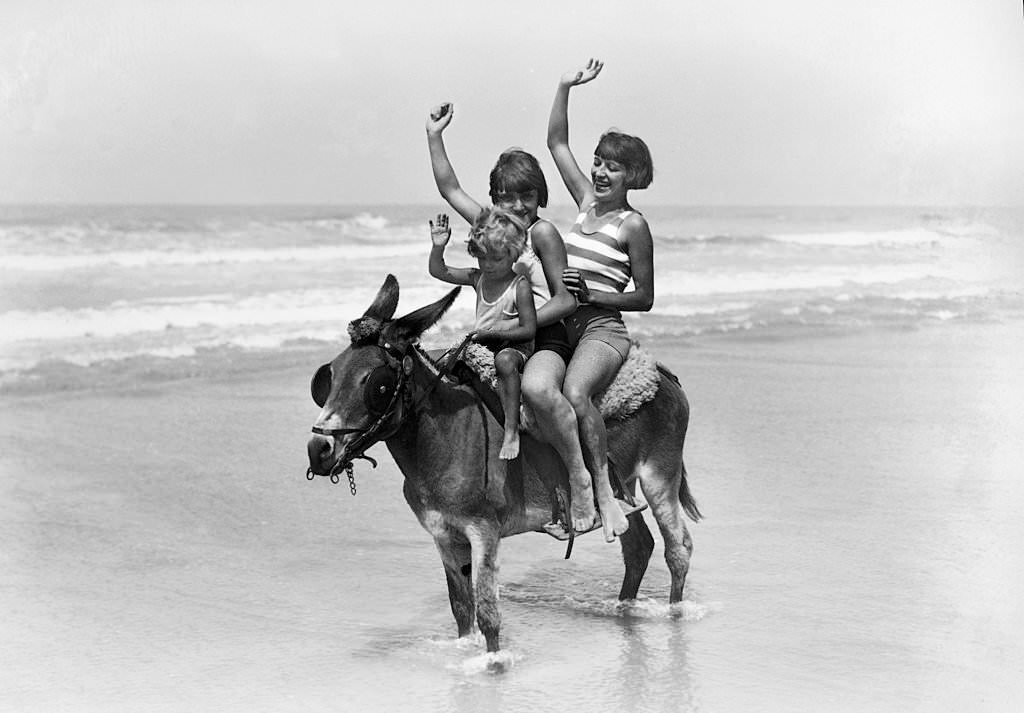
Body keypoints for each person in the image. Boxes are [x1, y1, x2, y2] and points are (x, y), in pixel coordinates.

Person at [426, 103, 605, 531]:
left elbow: (566, 301)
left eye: (526, 195)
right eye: (506, 196)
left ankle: (579, 482)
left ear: (539, 196)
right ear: (494, 199)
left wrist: (517, 326)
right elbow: (451, 190)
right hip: (502, 339)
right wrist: (434, 135)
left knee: (536, 388)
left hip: (545, 337)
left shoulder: (541, 234)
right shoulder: (494, 225)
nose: (517, 205)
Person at [546, 58, 657, 542]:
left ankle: (601, 496)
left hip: (603, 330)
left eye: (614, 166)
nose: (601, 171)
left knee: (574, 394)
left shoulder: (632, 225)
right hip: (562, 322)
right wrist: (565, 85)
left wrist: (595, 293)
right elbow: (556, 143)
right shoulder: (586, 202)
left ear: (633, 175)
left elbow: (645, 297)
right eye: (599, 162)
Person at [428, 208, 536, 460]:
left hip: (514, 347)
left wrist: (492, 334)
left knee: (505, 361)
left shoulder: (519, 286)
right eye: (482, 258)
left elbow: (529, 329)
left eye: (496, 259)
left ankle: (511, 430)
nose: (487, 265)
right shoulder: (479, 278)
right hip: (482, 346)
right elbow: (439, 271)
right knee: (428, 361)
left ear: (513, 253)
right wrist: (438, 247)